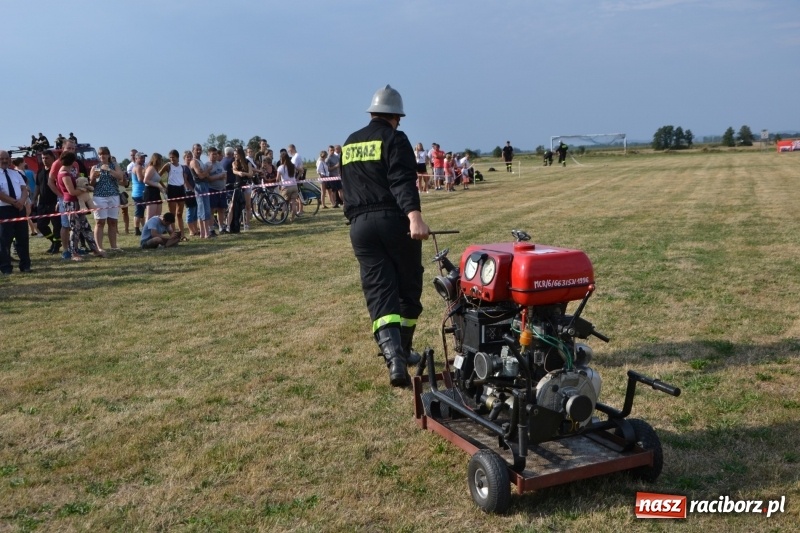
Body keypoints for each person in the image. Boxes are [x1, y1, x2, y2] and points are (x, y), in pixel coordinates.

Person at [341, 84, 431, 387]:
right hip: (393, 221)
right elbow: (402, 180)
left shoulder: (350, 142)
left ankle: (394, 361)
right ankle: (403, 351)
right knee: (408, 287)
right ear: (397, 117)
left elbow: (347, 186)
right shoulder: (395, 138)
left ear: (372, 112)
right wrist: (414, 217)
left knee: (379, 291)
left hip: (359, 226)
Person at [57, 151, 105, 260]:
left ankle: (95, 250)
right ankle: (74, 253)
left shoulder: (69, 172)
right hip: (71, 203)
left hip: (78, 202)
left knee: (86, 227)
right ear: (72, 161)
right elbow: (72, 192)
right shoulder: (64, 174)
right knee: (75, 228)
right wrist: (84, 189)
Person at [0, 150, 32, 274]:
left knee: (23, 238)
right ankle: (5, 267)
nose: (4, 161)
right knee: (4, 240)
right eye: (1, 158)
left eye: (6, 158)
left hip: (19, 208)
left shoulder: (16, 174)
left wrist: (22, 201)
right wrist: (14, 201)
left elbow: (24, 189)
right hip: (4, 209)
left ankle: (25, 265)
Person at [89, 146, 125, 252]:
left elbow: (120, 177)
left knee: (113, 222)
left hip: (113, 196)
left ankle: (113, 246)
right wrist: (93, 178)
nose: (102, 156)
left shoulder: (114, 165)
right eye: (100, 154)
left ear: (108, 155)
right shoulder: (95, 167)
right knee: (100, 222)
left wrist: (109, 169)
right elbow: (91, 185)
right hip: (99, 197)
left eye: (104, 154)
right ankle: (99, 247)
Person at [34, 150, 62, 254]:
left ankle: (56, 245)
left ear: (53, 158)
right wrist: (34, 199)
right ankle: (54, 242)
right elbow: (37, 186)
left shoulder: (56, 171)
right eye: (43, 158)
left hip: (54, 202)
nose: (44, 160)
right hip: (42, 203)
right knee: (41, 225)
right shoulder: (40, 172)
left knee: (56, 226)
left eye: (47, 158)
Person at [160, 149, 188, 237]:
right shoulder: (168, 165)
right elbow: (158, 176)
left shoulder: (182, 167)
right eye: (170, 157)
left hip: (181, 189)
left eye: (174, 157)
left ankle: (182, 234)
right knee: (172, 214)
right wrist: (164, 187)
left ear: (178, 157)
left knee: (180, 213)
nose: (172, 159)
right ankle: (173, 234)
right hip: (172, 189)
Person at [189, 143, 212, 239]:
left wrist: (205, 172)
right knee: (203, 210)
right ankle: (206, 233)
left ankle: (203, 233)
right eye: (196, 149)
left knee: (205, 209)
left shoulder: (200, 161)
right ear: (193, 150)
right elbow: (200, 175)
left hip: (205, 185)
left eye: (200, 149)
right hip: (200, 186)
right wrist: (208, 170)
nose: (198, 151)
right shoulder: (194, 162)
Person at [205, 147, 228, 234]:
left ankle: (221, 227)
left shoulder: (219, 163)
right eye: (213, 154)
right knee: (212, 210)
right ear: (209, 155)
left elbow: (224, 174)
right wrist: (219, 177)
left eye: (216, 154)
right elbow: (208, 178)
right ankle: (211, 228)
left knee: (221, 209)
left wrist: (224, 184)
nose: (215, 156)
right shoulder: (207, 165)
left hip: (221, 189)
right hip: (212, 190)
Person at [276, 152, 300, 221]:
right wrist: (297, 177)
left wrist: (279, 185)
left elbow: (277, 178)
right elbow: (301, 170)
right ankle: (292, 218)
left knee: (285, 202)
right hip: (294, 186)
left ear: (281, 159)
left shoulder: (280, 167)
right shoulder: (293, 166)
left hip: (286, 187)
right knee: (293, 202)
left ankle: (283, 215)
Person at [143, 153, 166, 221]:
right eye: (160, 159)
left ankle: (155, 230)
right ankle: (147, 231)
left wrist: (162, 188)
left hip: (156, 192)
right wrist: (158, 186)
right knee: (150, 216)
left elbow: (157, 181)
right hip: (150, 192)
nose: (161, 161)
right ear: (156, 160)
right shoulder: (151, 168)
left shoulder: (156, 169)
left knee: (157, 215)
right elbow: (145, 180)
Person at [130, 151, 146, 235]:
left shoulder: (137, 167)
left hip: (137, 192)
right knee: (139, 212)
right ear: (136, 159)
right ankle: (137, 230)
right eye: (141, 158)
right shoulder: (138, 167)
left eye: (144, 157)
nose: (143, 159)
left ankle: (142, 228)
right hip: (139, 192)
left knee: (140, 212)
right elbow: (140, 179)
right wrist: (148, 179)